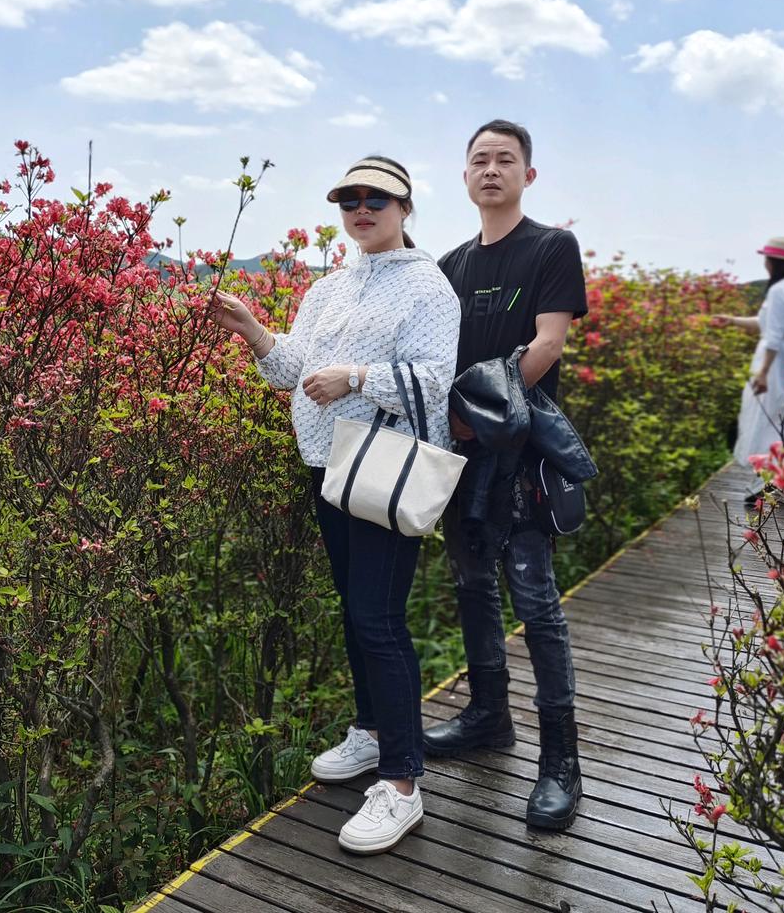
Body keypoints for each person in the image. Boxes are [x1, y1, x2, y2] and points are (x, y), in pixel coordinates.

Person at [209, 155, 460, 855]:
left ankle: (402, 782)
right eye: (350, 200)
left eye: (377, 198)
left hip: (385, 468)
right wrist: (254, 330)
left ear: (405, 207)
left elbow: (433, 380)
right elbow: (292, 370)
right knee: (356, 611)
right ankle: (372, 731)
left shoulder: (428, 286)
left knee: (378, 621)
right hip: (329, 468)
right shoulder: (328, 288)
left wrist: (355, 376)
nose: (362, 209)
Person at [423, 119, 588, 832]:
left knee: (536, 601)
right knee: (471, 585)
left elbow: (547, 344)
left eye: (505, 159)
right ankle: (489, 716)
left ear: (528, 174)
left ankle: (561, 762)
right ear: (464, 176)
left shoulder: (551, 247)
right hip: (461, 455)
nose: (491, 170)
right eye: (480, 160)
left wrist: (474, 415)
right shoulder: (450, 265)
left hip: (519, 452)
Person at [712, 236, 784, 506]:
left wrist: (763, 372)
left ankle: (765, 485)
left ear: (774, 262)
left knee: (767, 421)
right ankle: (782, 482)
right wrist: (732, 321)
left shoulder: (779, 290)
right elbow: (768, 324)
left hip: (779, 363)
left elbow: (773, 336)